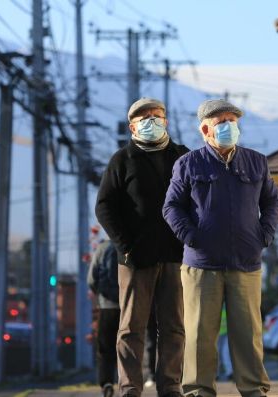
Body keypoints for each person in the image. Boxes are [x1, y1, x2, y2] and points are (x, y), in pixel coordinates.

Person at [163, 99, 278, 397]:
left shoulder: (257, 162)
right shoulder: (188, 164)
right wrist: (191, 236)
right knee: (200, 336)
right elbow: (172, 206)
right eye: (222, 122)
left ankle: (253, 389)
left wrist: (264, 234)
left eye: (233, 120)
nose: (229, 126)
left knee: (248, 334)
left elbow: (272, 202)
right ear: (205, 129)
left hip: (247, 261)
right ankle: (198, 391)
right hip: (202, 265)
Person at [95, 97, 188, 397]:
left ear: (166, 121)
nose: (152, 120)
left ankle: (170, 386)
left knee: (173, 327)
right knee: (131, 328)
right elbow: (104, 207)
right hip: (135, 260)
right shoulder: (122, 159)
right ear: (132, 125)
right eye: (144, 117)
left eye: (157, 115)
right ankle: (130, 388)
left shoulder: (182, 156)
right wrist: (125, 247)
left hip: (176, 256)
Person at [88, 238, 121, 397]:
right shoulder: (129, 243)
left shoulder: (102, 248)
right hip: (129, 306)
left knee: (105, 347)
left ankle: (107, 383)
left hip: (107, 306)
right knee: (129, 345)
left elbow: (92, 279)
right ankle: (129, 383)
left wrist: (101, 295)